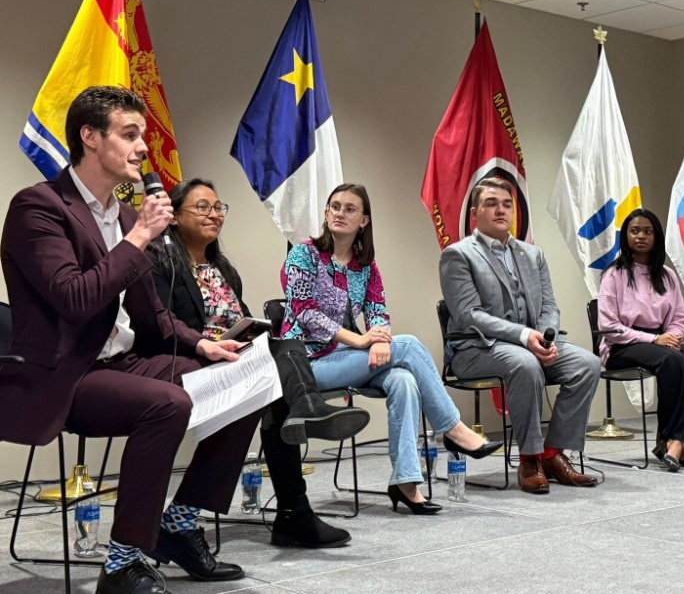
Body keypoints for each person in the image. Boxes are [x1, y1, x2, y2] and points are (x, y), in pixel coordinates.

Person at [0, 86, 258, 594]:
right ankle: (122, 562)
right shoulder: (38, 208)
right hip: (66, 375)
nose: (143, 147)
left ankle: (179, 527)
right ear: (90, 137)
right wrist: (139, 238)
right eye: (130, 134)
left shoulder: (120, 215)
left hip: (124, 362)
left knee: (243, 382)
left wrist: (201, 344)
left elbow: (151, 314)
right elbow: (74, 299)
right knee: (166, 404)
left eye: (143, 135)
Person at [148, 177, 369, 549]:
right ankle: (293, 509)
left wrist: (252, 334)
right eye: (203, 207)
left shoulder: (224, 269)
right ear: (172, 217)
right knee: (278, 383)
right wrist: (206, 344)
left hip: (234, 359)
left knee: (282, 352)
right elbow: (156, 324)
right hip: (189, 363)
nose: (215, 215)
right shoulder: (158, 263)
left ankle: (293, 507)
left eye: (219, 208)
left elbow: (242, 319)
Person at [280, 183, 502, 515]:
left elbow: (378, 310)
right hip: (308, 363)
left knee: (403, 379)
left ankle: (406, 481)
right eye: (335, 207)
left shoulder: (364, 265)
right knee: (409, 345)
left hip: (347, 358)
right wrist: (361, 340)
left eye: (350, 208)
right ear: (326, 214)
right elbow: (306, 313)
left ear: (364, 221)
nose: (341, 213)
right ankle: (453, 429)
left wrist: (380, 337)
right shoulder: (304, 254)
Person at [439, 177, 601, 494]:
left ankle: (553, 454)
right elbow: (469, 315)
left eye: (506, 204)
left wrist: (544, 339)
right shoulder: (457, 255)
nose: (500, 209)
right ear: (475, 213)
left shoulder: (533, 254)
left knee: (588, 364)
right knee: (524, 364)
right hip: (474, 349)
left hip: (529, 345)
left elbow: (549, 306)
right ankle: (529, 458)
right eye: (491, 203)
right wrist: (526, 336)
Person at [598, 208, 684, 471]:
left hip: (662, 342)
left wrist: (670, 337)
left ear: (656, 237)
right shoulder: (613, 274)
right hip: (621, 346)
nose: (640, 236)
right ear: (625, 235)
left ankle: (675, 440)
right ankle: (672, 442)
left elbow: (679, 318)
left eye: (647, 231)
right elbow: (608, 326)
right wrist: (653, 340)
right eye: (634, 231)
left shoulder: (667, 275)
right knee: (671, 360)